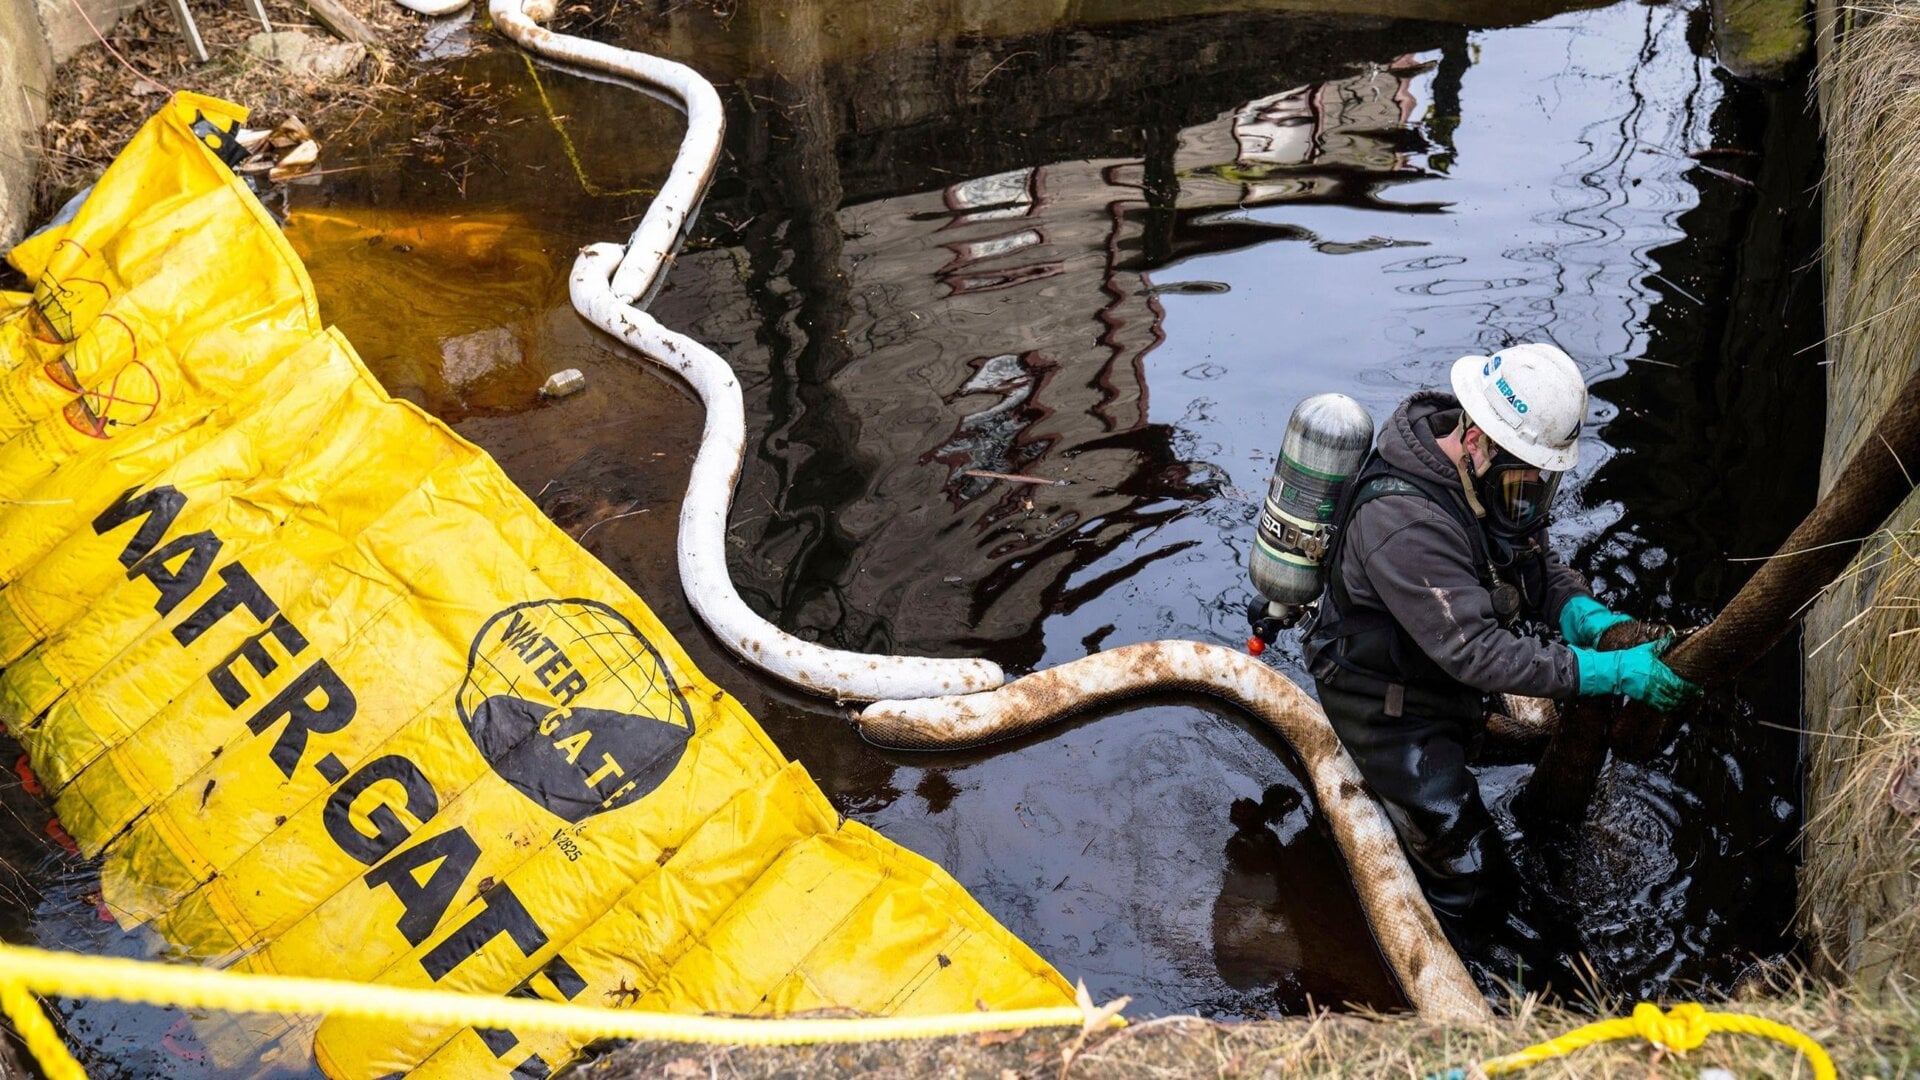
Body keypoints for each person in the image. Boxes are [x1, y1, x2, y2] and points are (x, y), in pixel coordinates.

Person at [1301, 342, 1698, 972]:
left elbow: (1531, 562)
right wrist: (1600, 672)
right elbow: (1478, 653)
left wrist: (1581, 614)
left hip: (1434, 673)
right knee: (1475, 881)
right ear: (1476, 441)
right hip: (1381, 701)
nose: (1532, 503)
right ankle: (1468, 981)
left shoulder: (1490, 482)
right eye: (1524, 487)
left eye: (1542, 487)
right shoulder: (1404, 524)